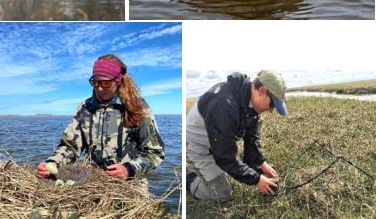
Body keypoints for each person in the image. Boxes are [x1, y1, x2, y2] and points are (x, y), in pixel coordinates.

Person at [37, 54, 165, 189]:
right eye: (95, 82)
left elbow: (155, 152)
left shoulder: (138, 107)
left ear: (118, 81)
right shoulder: (84, 108)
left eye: (106, 83)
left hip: (131, 187)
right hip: (92, 185)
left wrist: (129, 169)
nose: (99, 88)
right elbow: (70, 146)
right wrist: (53, 163)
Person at [186, 70, 287, 202]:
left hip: (217, 144)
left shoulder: (249, 102)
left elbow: (252, 138)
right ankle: (187, 175)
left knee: (253, 166)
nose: (271, 110)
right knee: (222, 194)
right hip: (198, 148)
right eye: (272, 104)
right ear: (262, 90)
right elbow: (224, 155)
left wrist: (262, 163)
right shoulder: (224, 104)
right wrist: (256, 180)